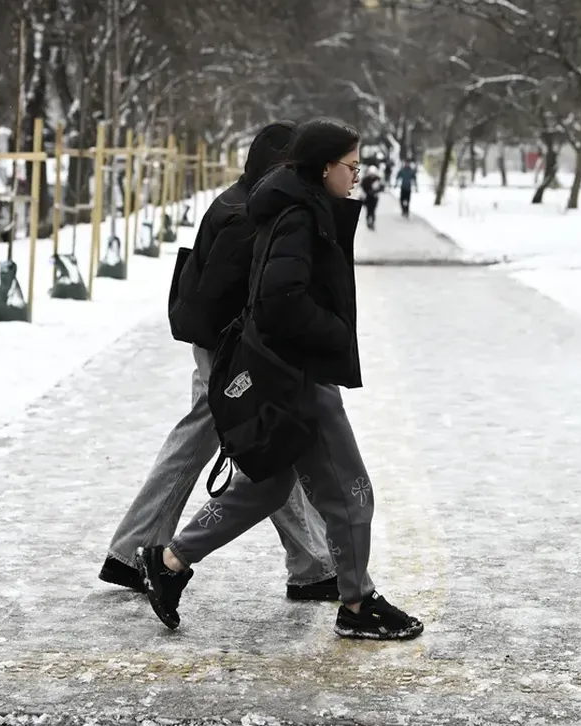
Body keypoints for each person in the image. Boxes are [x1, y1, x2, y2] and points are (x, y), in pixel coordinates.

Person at [136, 117, 425, 642]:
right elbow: (280, 301)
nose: (357, 176)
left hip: (285, 373)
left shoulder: (295, 207)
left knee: (267, 487)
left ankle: (170, 562)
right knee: (351, 494)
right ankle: (357, 605)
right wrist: (334, 332)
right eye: (351, 167)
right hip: (301, 378)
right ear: (323, 167)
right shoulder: (299, 216)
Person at [99, 120, 340, 603]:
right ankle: (311, 567)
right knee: (265, 448)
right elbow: (217, 301)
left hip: (232, 352)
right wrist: (242, 363)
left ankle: (131, 555)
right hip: (235, 355)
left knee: (254, 447)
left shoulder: (247, 201)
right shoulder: (248, 215)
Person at [359, 165, 384, 231]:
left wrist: (377, 191)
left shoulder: (377, 179)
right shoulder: (366, 179)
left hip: (374, 197)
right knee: (368, 210)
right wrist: (364, 193)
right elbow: (362, 186)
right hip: (368, 197)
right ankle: (368, 221)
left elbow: (381, 187)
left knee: (373, 211)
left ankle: (372, 222)